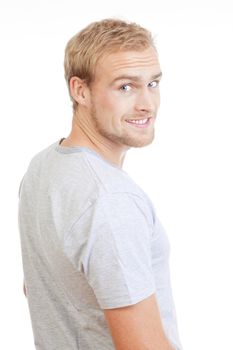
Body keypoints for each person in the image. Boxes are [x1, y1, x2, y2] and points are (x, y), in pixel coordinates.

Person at [18, 18, 183, 350]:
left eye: (153, 83)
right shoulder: (110, 199)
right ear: (80, 91)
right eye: (125, 87)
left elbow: (40, 285)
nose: (146, 104)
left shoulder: (43, 166)